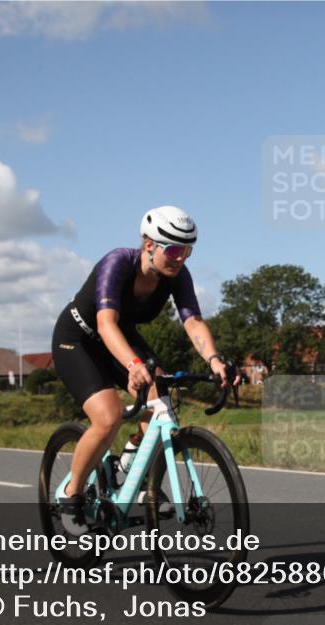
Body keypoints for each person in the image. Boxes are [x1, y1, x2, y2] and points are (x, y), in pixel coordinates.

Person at [50, 206, 239, 535]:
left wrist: (215, 360)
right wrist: (133, 364)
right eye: (175, 250)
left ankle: (130, 466)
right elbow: (105, 322)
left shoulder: (177, 275)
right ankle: (71, 495)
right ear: (149, 244)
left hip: (121, 337)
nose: (181, 259)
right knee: (107, 417)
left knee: (160, 396)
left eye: (188, 251)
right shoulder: (117, 263)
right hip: (78, 339)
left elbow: (192, 321)